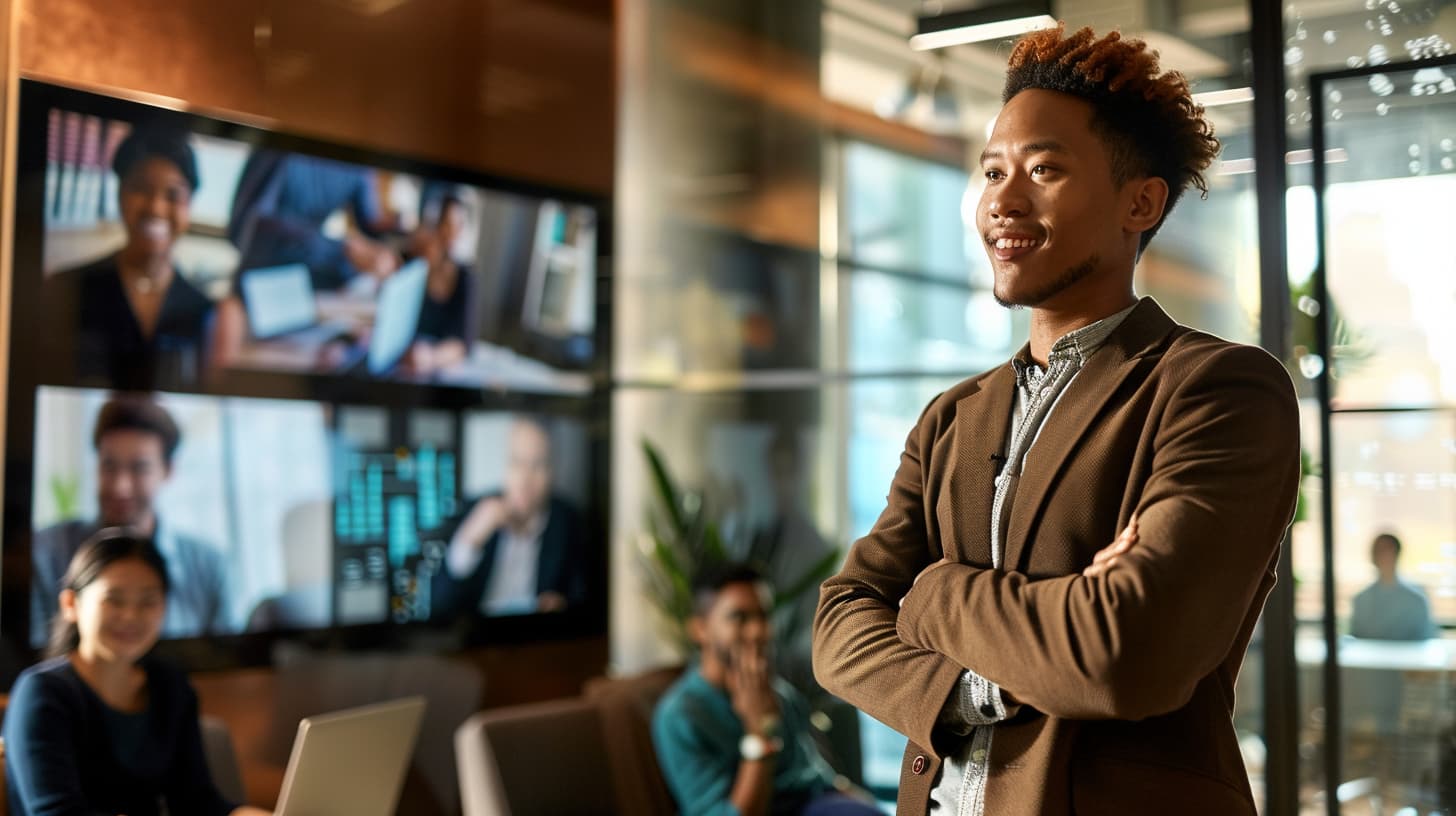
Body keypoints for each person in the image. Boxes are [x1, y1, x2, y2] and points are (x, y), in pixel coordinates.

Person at [813, 25, 1300, 816]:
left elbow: (1121, 653)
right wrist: (977, 685)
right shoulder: (951, 420)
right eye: (993, 171)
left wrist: (932, 599)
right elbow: (838, 625)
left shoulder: (1218, 390)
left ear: (1139, 201)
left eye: (1043, 170)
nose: (1002, 201)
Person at [4, 529, 271, 816]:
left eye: (148, 602)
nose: (131, 616)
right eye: (114, 600)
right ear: (71, 604)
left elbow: (198, 803)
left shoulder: (170, 686)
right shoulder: (42, 693)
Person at [652, 563, 879, 816]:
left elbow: (815, 778)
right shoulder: (680, 716)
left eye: (764, 616)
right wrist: (760, 733)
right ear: (700, 629)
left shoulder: (781, 693)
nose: (759, 631)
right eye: (740, 617)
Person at [31, 396, 229, 646]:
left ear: (167, 470)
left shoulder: (209, 566)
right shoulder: (46, 552)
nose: (120, 487)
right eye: (109, 466)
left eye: (139, 468)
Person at [41, 124, 213, 389]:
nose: (156, 207)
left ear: (189, 206)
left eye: (173, 194)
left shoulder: (205, 311)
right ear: (120, 194)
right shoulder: (67, 288)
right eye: (141, 188)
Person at [431, 416, 587, 617]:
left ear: (553, 471)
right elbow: (437, 607)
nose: (525, 477)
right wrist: (470, 540)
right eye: (517, 462)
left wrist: (561, 607)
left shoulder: (568, 522)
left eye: (538, 465)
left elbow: (581, 600)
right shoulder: (472, 510)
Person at [402, 193, 477, 376]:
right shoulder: (410, 265)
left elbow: (464, 344)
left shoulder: (466, 277)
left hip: (435, 361)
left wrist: (431, 357)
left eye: (458, 226)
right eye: (446, 225)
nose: (452, 233)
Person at [1350, 532, 1437, 640]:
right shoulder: (1360, 600)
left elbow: (1427, 640)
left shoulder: (1416, 600)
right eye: (1375, 550)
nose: (1378, 554)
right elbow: (1355, 640)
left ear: (1397, 554)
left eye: (1384, 550)